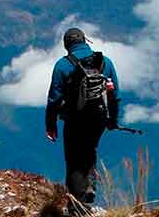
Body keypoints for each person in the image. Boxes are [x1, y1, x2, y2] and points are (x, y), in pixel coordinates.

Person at [45, 28, 120, 214]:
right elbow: (115, 94)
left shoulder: (63, 65)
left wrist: (51, 125)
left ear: (66, 44)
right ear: (85, 40)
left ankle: (78, 206)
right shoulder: (104, 62)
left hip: (74, 120)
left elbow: (54, 99)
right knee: (89, 153)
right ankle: (87, 196)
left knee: (74, 159)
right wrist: (112, 120)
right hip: (98, 119)